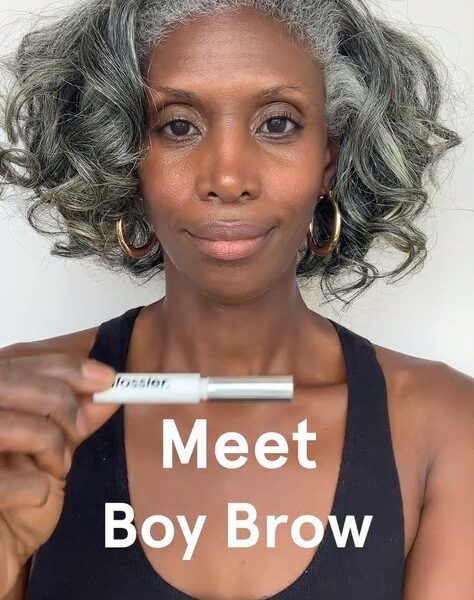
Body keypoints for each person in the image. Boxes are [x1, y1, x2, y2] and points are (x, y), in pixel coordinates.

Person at [0, 0, 472, 598]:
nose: (227, 179)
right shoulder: (22, 410)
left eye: (278, 123)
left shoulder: (444, 426)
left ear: (328, 158)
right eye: (178, 126)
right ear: (126, 157)